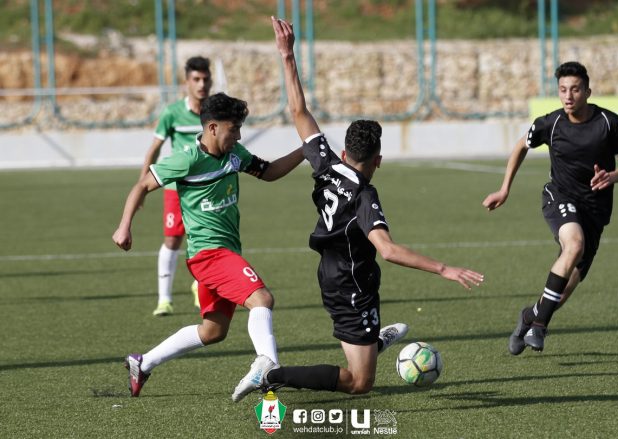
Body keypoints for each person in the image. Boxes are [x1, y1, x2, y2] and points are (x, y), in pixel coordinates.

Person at [230, 17, 485, 402]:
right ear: (378, 160)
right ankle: (272, 374)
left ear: (344, 152)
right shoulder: (365, 196)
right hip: (352, 285)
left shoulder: (326, 164)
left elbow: (299, 111)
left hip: (331, 272)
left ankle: (373, 341)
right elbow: (388, 250)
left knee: (362, 361)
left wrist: (287, 55)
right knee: (359, 383)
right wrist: (444, 269)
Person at [113, 92, 305, 397]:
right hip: (210, 255)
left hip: (225, 253)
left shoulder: (235, 154)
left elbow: (268, 172)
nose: (238, 136)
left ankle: (144, 362)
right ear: (213, 128)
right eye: (234, 129)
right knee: (262, 299)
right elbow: (143, 185)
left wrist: (305, 150)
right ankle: (268, 369)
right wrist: (124, 226)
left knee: (213, 331)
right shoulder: (187, 159)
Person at [482, 61, 618, 354]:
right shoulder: (550, 123)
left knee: (561, 294)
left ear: (587, 91)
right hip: (560, 197)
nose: (568, 96)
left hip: (595, 212)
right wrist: (504, 188)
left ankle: (530, 316)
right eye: (563, 90)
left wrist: (612, 176)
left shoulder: (609, 123)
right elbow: (521, 146)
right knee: (574, 244)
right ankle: (540, 326)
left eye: (575, 89)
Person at [142, 56, 212, 316]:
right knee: (172, 239)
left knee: (208, 240)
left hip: (207, 188)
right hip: (176, 189)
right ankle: (164, 299)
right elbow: (154, 150)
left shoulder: (214, 111)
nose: (201, 84)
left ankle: (200, 285)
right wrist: (142, 185)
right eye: (196, 79)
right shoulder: (172, 113)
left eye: (205, 79)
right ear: (187, 82)